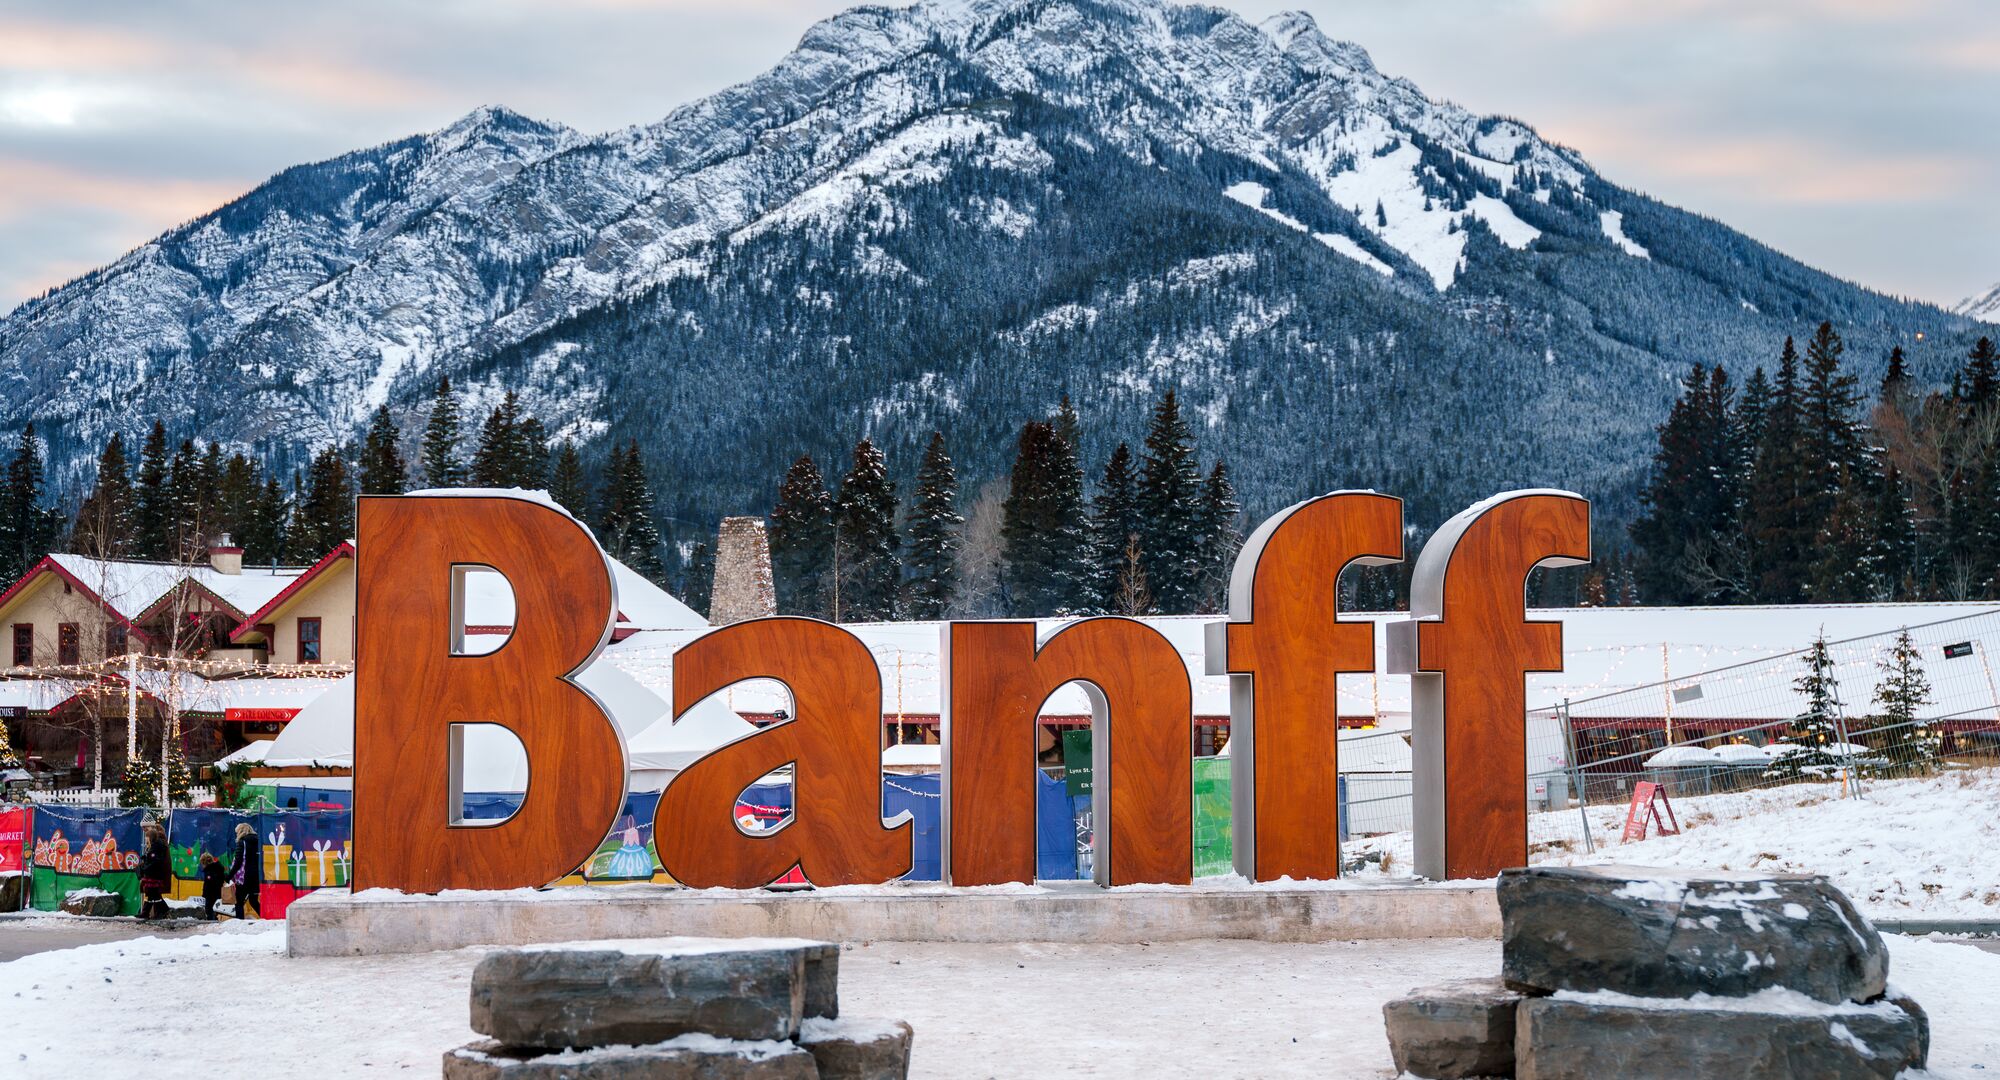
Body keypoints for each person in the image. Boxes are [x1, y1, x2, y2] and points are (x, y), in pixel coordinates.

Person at [137, 824, 170, 921]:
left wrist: (145, 867)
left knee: (153, 894)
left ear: (150, 837)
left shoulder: (156, 847)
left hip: (153, 875)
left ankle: (162, 910)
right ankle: (147, 912)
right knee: (152, 895)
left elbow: (155, 861)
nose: (146, 840)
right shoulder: (156, 846)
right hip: (154, 874)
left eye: (147, 838)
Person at [230, 822, 262, 919]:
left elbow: (238, 862)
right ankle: (266, 918)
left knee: (239, 901)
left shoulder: (242, 842)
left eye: (237, 832)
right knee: (253, 900)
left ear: (241, 831)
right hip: (257, 876)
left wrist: (229, 875)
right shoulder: (258, 841)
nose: (236, 834)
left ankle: (239, 922)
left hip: (244, 877)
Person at [198, 852, 226, 920]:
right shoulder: (218, 868)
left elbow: (208, 885)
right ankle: (214, 920)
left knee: (209, 910)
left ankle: (212, 923)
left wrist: (204, 894)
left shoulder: (209, 871)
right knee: (213, 910)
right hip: (217, 893)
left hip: (210, 895)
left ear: (204, 862)